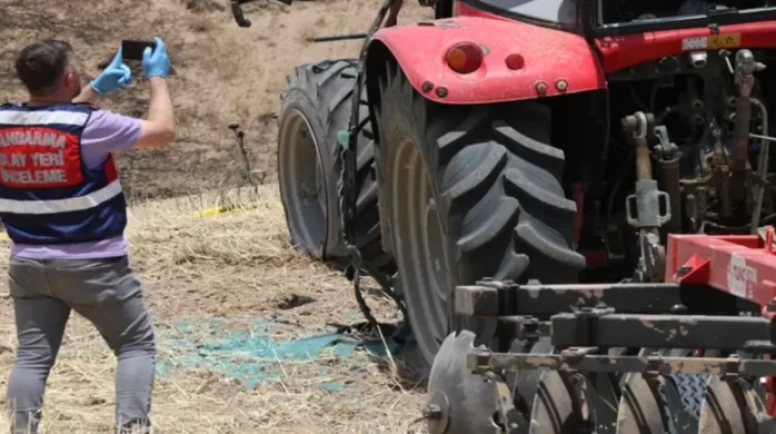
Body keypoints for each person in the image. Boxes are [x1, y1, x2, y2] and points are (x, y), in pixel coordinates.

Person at [1, 36, 175, 434]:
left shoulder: (4, 122)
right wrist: (158, 79)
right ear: (67, 77)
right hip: (95, 265)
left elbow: (49, 122)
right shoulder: (91, 125)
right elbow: (162, 130)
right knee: (135, 346)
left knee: (31, 359)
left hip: (27, 263)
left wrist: (94, 89)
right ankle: (132, 428)